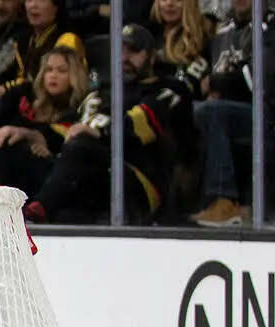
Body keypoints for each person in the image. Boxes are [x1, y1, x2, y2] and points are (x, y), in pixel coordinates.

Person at [22, 24, 196, 223]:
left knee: (81, 146)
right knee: (17, 148)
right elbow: (72, 130)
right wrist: (31, 135)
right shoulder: (102, 92)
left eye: (133, 51)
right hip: (92, 170)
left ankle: (39, 209)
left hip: (141, 179)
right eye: (119, 50)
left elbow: (138, 128)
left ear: (152, 56)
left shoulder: (169, 89)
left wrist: (99, 132)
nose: (124, 57)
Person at [189, 0, 275, 226]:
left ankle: (224, 199)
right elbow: (205, 74)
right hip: (229, 110)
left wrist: (216, 83)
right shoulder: (224, 32)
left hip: (270, 113)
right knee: (191, 111)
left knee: (210, 111)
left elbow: (257, 81)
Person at [0, 46, 89, 197]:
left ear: (75, 76)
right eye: (49, 70)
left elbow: (63, 139)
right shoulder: (24, 94)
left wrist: (29, 135)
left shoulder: (79, 108)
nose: (53, 75)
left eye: (61, 71)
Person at [0, 0, 83, 101]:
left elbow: (48, 83)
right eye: (29, 0)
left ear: (56, 7)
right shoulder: (22, 39)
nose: (33, 5)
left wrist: (9, 88)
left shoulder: (67, 39)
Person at [149, 0, 210, 99]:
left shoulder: (201, 39)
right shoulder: (149, 34)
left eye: (177, 0)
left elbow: (189, 86)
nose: (169, 3)